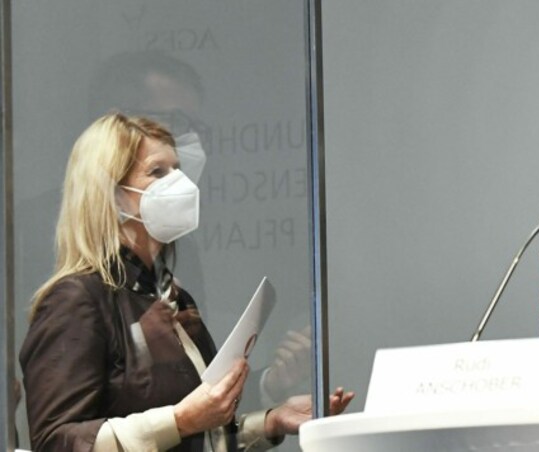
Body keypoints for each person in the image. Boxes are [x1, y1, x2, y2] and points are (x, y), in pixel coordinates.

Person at [19, 113, 354, 451]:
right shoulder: (76, 299)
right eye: (157, 172)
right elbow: (54, 441)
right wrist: (181, 420)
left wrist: (272, 421)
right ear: (112, 194)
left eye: (177, 169)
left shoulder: (169, 294)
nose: (179, 183)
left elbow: (200, 432)